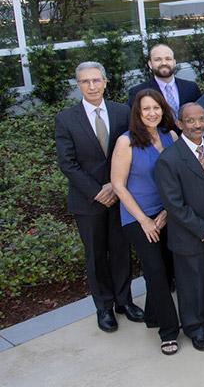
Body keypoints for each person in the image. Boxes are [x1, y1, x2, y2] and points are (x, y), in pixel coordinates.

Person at [55, 61, 142, 333]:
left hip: (119, 196)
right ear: (78, 85)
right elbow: (67, 163)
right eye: (85, 81)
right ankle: (103, 308)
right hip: (88, 201)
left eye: (96, 80)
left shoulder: (122, 112)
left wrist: (115, 187)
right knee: (96, 255)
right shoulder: (66, 119)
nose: (91, 86)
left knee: (120, 251)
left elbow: (131, 152)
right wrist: (97, 191)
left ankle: (124, 301)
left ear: (105, 82)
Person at [154, 103, 204, 351]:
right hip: (189, 236)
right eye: (190, 121)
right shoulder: (168, 159)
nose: (197, 125)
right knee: (191, 285)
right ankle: (195, 327)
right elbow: (174, 205)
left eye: (202, 119)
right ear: (179, 124)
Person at [109, 89, 180, 354]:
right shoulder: (126, 142)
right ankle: (168, 331)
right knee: (156, 272)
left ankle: (153, 315)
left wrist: (167, 213)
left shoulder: (171, 136)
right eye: (146, 109)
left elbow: (178, 179)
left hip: (167, 213)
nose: (152, 113)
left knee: (168, 268)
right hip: (138, 218)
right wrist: (145, 221)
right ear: (137, 114)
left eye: (156, 108)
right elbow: (118, 185)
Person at [127, 44, 201, 120]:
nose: (164, 63)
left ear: (174, 62)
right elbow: (135, 122)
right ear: (150, 64)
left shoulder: (191, 88)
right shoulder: (137, 92)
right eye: (158, 59)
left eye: (168, 59)